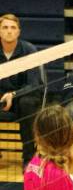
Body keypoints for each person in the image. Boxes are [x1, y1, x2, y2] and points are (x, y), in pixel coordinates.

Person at [0, 13, 43, 169]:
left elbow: (33, 84)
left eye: (13, 28)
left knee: (27, 104)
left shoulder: (29, 50)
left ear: (19, 32)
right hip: (1, 98)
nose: (9, 31)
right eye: (5, 27)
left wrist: (13, 95)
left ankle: (29, 159)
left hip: (23, 96)